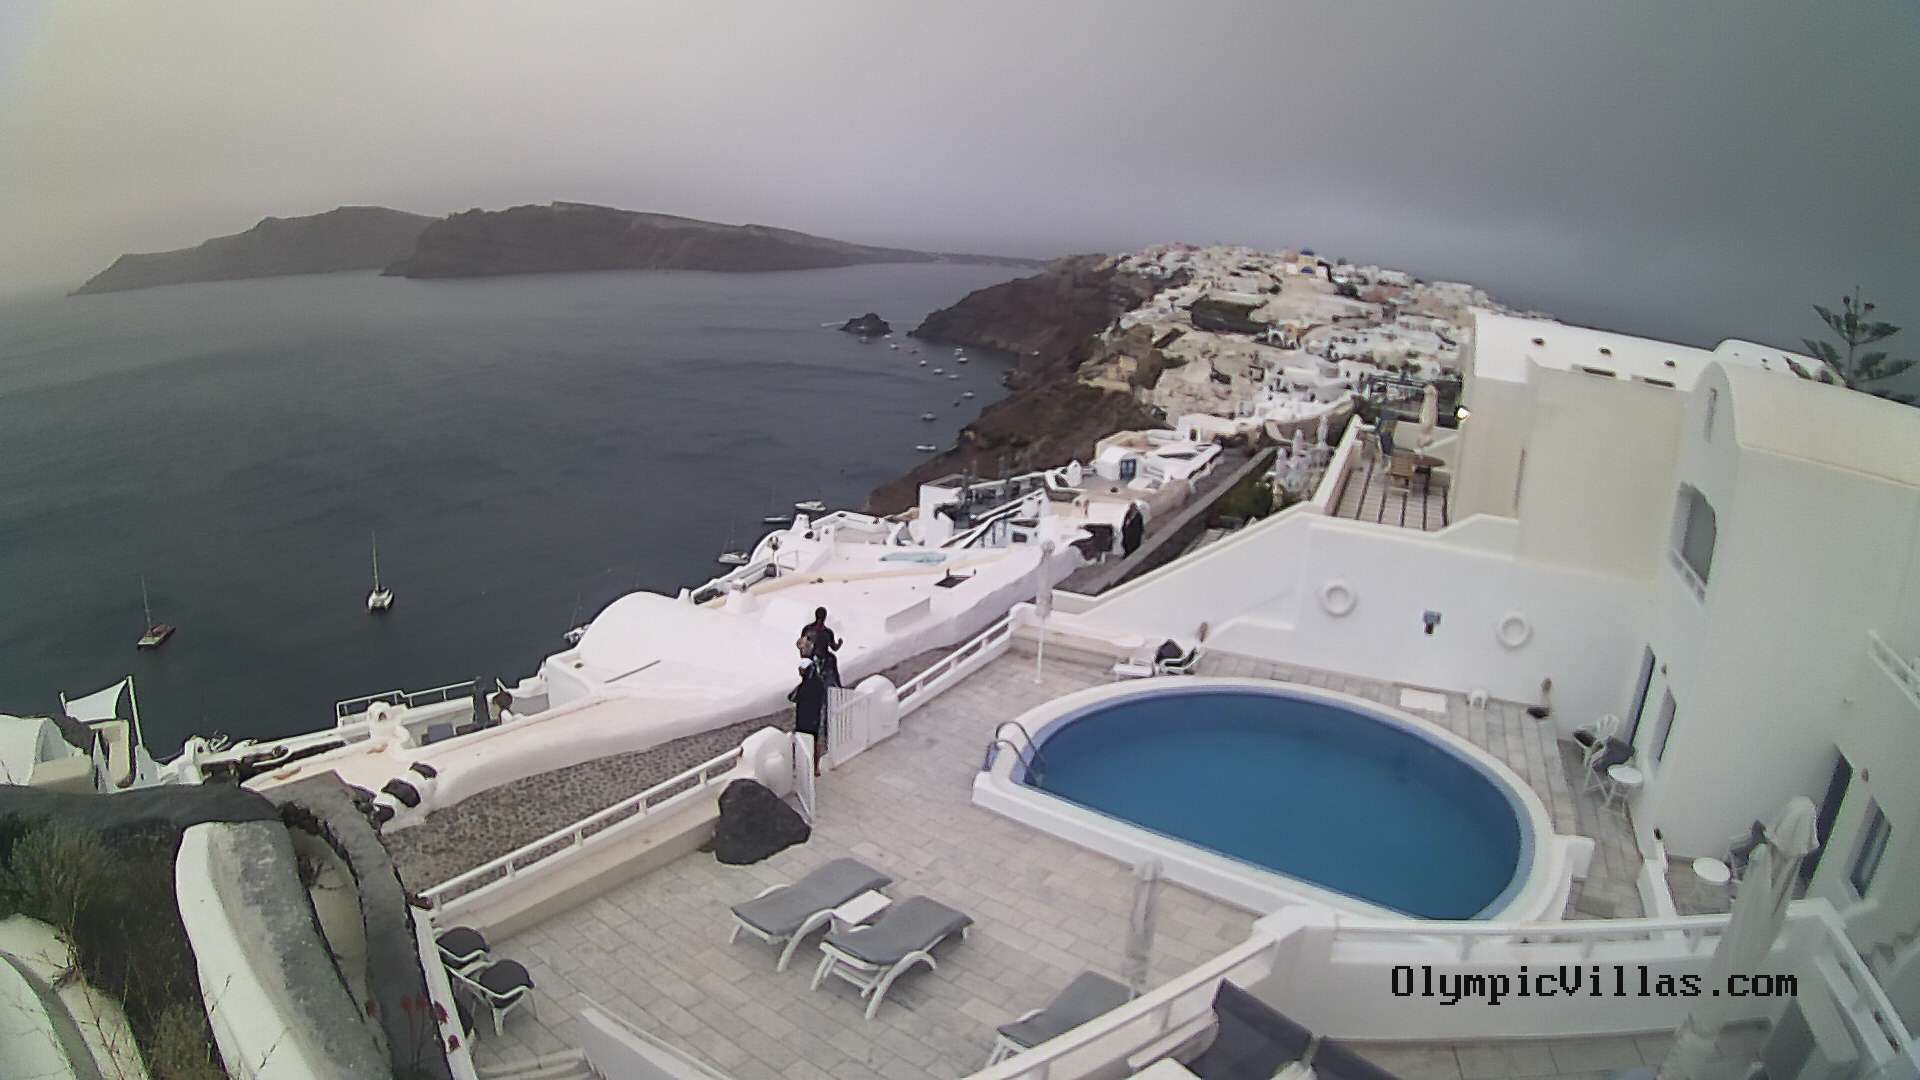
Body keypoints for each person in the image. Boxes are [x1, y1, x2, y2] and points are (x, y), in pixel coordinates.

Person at [788, 659, 828, 774]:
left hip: (809, 717)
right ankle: (813, 768)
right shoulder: (815, 683)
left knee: (809, 742)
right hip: (809, 717)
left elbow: (793, 697)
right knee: (810, 741)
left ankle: (813, 767)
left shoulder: (811, 684)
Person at [801, 606, 843, 688]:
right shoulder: (827, 632)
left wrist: (804, 657)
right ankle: (836, 684)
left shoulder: (808, 629)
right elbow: (834, 648)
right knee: (831, 660)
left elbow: (802, 646)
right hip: (819, 656)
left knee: (831, 659)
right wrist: (840, 643)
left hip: (814, 656)